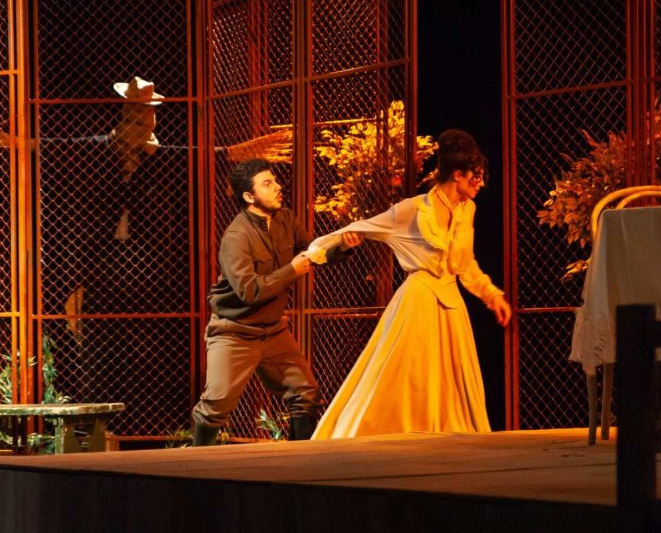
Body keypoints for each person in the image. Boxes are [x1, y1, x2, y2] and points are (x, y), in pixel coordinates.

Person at [307, 129, 511, 439]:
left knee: (451, 379)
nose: (480, 184)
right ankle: (379, 432)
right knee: (405, 374)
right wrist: (326, 249)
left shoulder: (467, 209)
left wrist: (491, 295)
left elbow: (465, 262)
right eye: (476, 177)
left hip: (451, 305)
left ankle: (444, 440)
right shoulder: (414, 209)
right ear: (457, 174)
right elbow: (365, 226)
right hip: (418, 299)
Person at [192, 158, 362, 445]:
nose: (278, 187)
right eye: (267, 184)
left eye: (275, 181)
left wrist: (341, 247)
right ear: (249, 196)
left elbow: (313, 254)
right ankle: (195, 465)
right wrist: (291, 271)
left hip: (273, 331)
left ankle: (300, 464)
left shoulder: (285, 219)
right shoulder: (236, 236)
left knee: (305, 395)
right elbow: (248, 291)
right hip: (235, 332)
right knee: (215, 406)